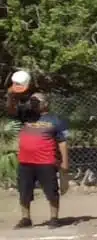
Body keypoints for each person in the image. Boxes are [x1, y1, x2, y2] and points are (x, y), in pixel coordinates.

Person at [7, 91, 70, 229]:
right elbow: (11, 109)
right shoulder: (26, 116)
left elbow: (62, 143)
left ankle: (54, 218)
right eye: (31, 100)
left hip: (46, 162)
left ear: (46, 103)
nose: (33, 103)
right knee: (24, 191)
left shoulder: (55, 120)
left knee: (51, 191)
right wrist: (11, 95)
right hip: (26, 162)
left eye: (37, 101)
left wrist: (65, 164)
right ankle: (26, 218)